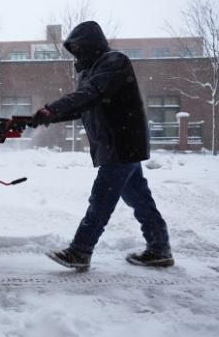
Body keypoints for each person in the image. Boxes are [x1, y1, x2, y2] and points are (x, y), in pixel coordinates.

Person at [31, 21, 173, 272]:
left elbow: (90, 94)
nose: (76, 51)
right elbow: (82, 106)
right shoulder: (91, 70)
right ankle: (159, 249)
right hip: (115, 145)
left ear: (91, 43)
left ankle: (80, 251)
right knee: (140, 200)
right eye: (72, 47)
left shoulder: (113, 62)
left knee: (101, 200)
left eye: (79, 46)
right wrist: (50, 116)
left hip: (121, 143)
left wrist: (52, 108)